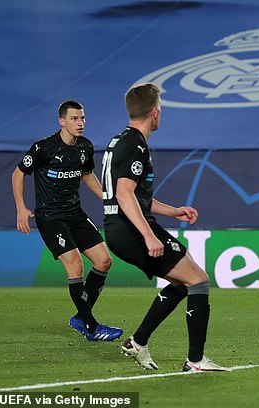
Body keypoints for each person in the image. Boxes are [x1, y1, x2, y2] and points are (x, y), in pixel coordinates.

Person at [102, 83, 227, 372]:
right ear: (154, 113)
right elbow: (124, 193)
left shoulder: (119, 140)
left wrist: (173, 211)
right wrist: (147, 235)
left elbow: (135, 195)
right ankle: (195, 361)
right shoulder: (135, 145)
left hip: (120, 227)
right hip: (131, 229)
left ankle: (138, 341)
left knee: (184, 282)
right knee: (198, 279)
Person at [11, 100, 122, 341]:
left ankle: (80, 318)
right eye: (74, 119)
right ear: (62, 121)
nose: (80, 123)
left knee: (104, 261)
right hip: (51, 217)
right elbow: (18, 173)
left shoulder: (85, 147)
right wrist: (21, 207)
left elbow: (86, 174)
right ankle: (91, 326)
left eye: (82, 118)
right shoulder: (44, 148)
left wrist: (107, 198)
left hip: (75, 214)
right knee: (75, 265)